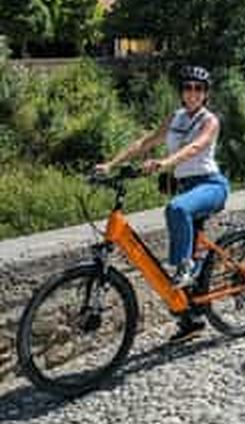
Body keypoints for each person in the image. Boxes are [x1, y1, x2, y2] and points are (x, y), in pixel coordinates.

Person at [95, 65, 230, 342]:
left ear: (205, 94)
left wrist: (164, 163)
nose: (193, 93)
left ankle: (185, 268)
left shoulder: (210, 120)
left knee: (176, 209)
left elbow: (195, 148)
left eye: (199, 89)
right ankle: (191, 319)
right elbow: (145, 142)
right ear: (182, 91)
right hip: (186, 188)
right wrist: (111, 164)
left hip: (210, 186)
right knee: (181, 217)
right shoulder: (176, 117)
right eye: (188, 87)